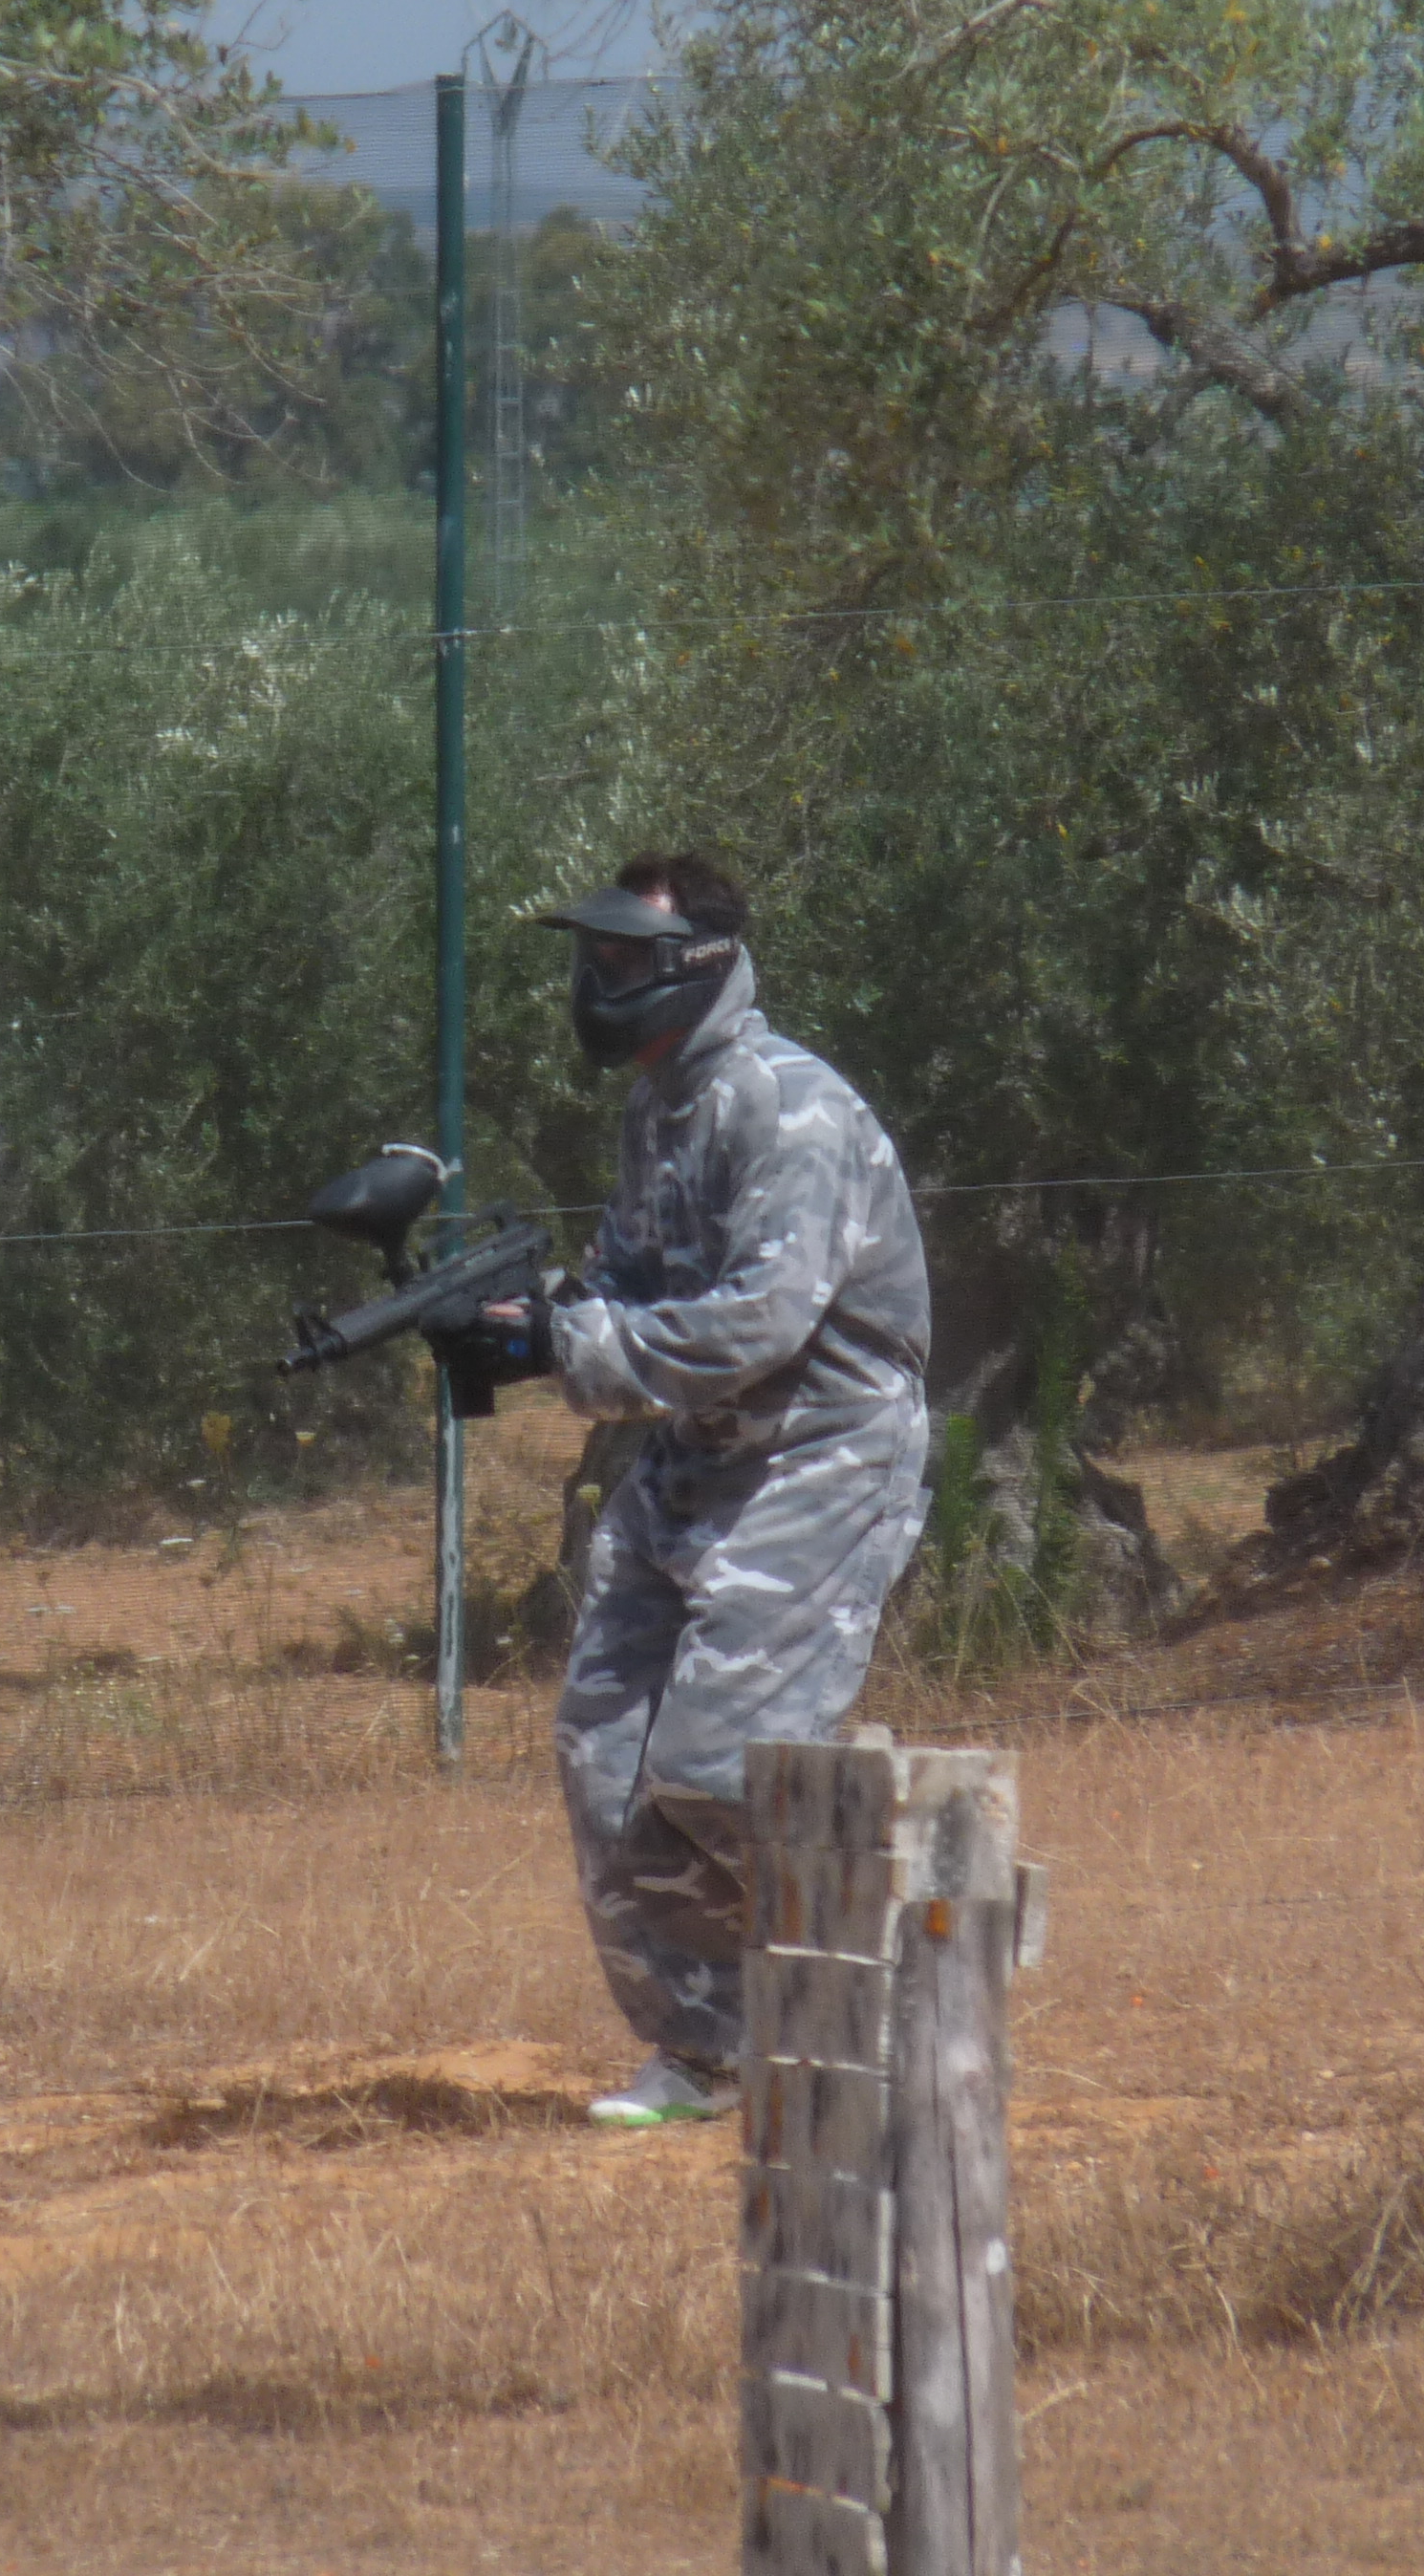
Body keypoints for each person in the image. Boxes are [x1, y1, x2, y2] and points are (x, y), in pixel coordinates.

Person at [429, 852, 931, 2127]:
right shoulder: (661, 1105)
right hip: (699, 1459)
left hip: (820, 1454)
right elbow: (628, 1280)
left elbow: (761, 1321)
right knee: (604, 1756)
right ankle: (708, 2052)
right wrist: (521, 1318)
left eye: (621, 959)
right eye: (590, 958)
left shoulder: (788, 1107)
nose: (597, 981)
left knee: (715, 1766)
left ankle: (922, 1920)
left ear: (698, 963)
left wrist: (570, 1347)